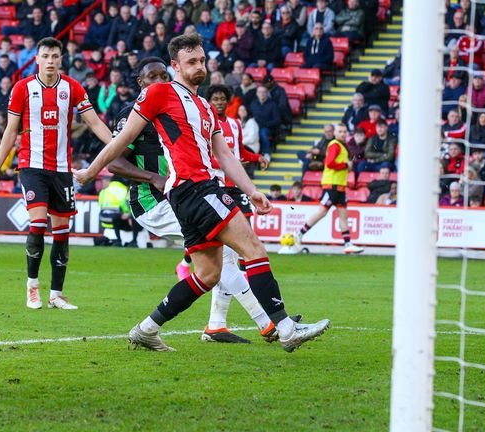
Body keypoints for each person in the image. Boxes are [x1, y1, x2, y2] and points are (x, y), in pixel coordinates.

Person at [74, 34, 330, 352]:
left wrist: (252, 191)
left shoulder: (206, 107)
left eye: (202, 60)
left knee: (208, 274)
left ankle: (145, 329)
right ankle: (285, 327)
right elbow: (121, 140)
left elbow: (224, 156)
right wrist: (90, 171)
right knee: (252, 247)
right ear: (175, 66)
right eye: (191, 61)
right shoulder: (160, 93)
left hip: (191, 193)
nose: (199, 66)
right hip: (194, 188)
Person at [0, 37, 113, 310]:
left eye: (56, 56)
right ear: (37, 59)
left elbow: (93, 122)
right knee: (37, 225)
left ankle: (56, 294)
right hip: (32, 166)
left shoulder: (73, 87)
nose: (51, 61)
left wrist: (116, 144)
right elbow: (10, 131)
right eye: (46, 56)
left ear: (61, 59)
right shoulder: (22, 88)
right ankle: (32, 288)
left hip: (62, 169)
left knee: (62, 232)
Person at [293, 123, 365, 255]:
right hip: (332, 185)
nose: (343, 133)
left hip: (339, 186)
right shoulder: (335, 145)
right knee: (322, 212)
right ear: (335, 133)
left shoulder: (341, 146)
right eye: (340, 131)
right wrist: (345, 165)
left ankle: (348, 244)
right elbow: (329, 163)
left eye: (344, 131)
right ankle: (298, 233)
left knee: (344, 215)